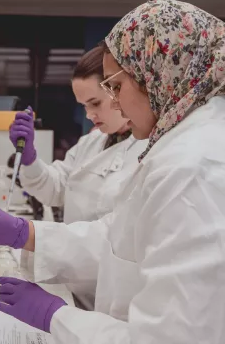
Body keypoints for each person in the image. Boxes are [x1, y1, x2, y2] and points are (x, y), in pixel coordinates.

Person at [0, 0, 225, 344]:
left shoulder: (199, 170)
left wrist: (56, 316)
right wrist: (23, 232)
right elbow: (122, 240)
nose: (116, 102)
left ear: (157, 74)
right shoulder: (190, 141)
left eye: (116, 87)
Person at [8, 47, 148, 310]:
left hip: (111, 295)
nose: (88, 115)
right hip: (75, 282)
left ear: (118, 90)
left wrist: (27, 234)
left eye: (95, 103)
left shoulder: (148, 150)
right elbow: (58, 187)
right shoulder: (93, 140)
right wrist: (29, 158)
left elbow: (115, 235)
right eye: (84, 106)